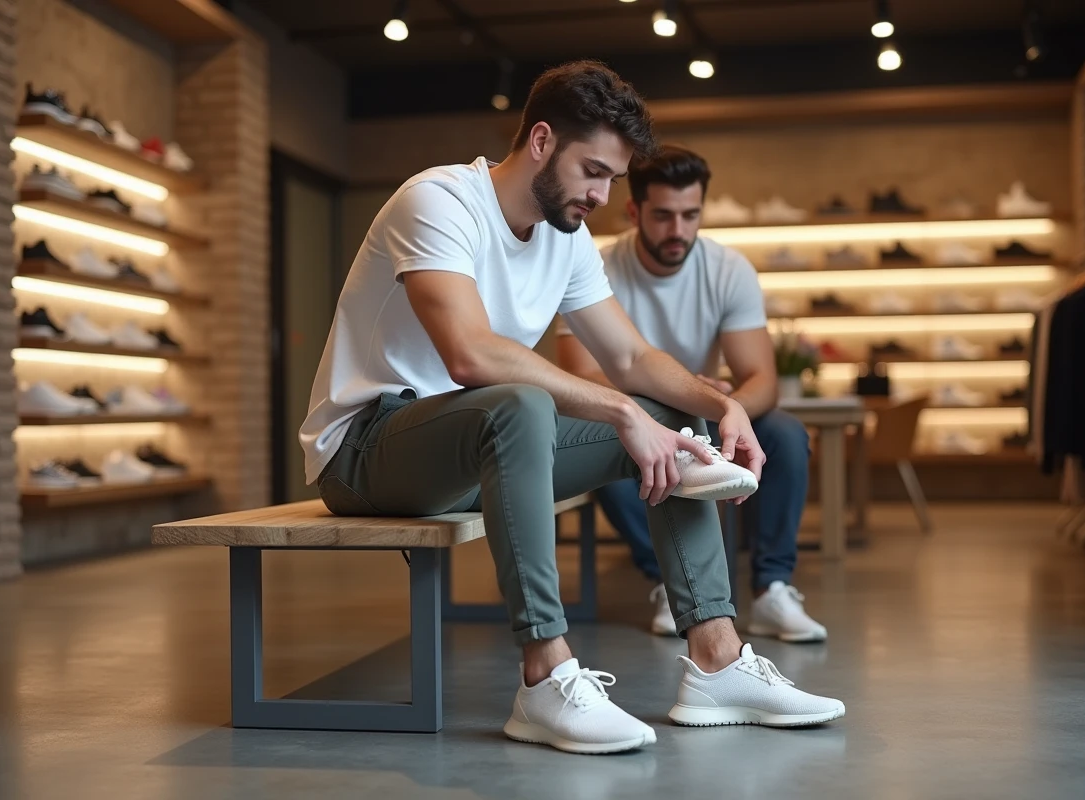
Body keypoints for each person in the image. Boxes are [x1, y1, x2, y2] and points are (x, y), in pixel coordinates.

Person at [301, 61, 844, 755]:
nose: (601, 193)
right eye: (593, 170)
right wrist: (620, 414)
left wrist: (719, 404)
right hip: (367, 451)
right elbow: (470, 354)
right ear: (541, 141)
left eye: (612, 179)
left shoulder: (567, 236)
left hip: (481, 446)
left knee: (669, 419)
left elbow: (631, 359)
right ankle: (544, 678)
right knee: (523, 404)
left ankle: (718, 660)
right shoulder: (437, 201)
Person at [558, 146, 827, 643]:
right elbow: (584, 377)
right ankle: (666, 580)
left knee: (786, 435)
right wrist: (691, 394)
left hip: (710, 410)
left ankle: (771, 589)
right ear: (634, 211)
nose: (678, 230)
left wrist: (728, 409)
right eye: (662, 216)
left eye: (690, 215)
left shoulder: (729, 270)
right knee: (606, 441)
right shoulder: (590, 266)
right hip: (639, 414)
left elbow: (761, 378)